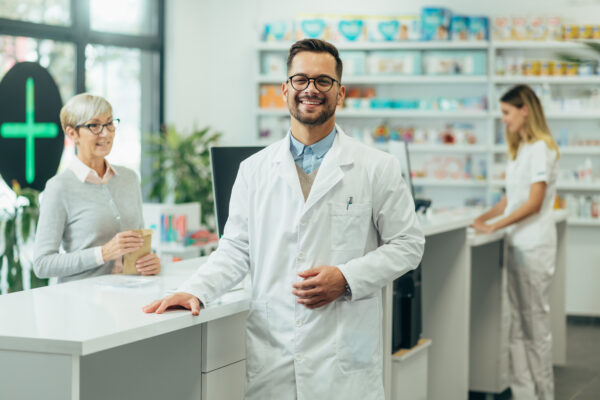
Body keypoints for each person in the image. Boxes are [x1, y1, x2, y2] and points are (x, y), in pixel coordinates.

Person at [143, 39, 425, 399]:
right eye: (301, 79)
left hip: (343, 362)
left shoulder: (376, 167)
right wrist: (194, 289)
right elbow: (236, 249)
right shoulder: (254, 170)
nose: (311, 89)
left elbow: (409, 244)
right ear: (284, 90)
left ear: (340, 94)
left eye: (323, 81)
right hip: (273, 354)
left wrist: (346, 277)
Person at [473, 84, 559, 399]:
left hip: (534, 245)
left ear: (525, 110)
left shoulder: (540, 148)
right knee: (518, 326)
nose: (504, 120)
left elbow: (534, 203)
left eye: (507, 113)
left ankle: (544, 394)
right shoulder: (521, 148)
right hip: (518, 244)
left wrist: (494, 226)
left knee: (534, 326)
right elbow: (512, 198)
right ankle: (524, 394)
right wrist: (481, 219)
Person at [34, 93, 160, 282]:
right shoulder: (58, 188)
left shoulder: (129, 178)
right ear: (72, 133)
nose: (106, 133)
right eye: (94, 125)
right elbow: (42, 264)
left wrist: (150, 261)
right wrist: (103, 253)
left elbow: (139, 243)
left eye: (109, 123)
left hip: (129, 296)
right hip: (82, 303)